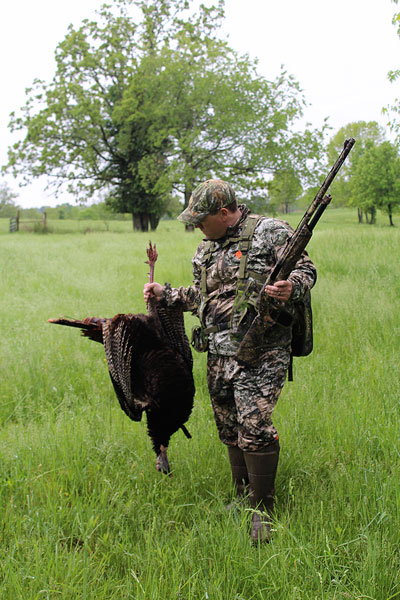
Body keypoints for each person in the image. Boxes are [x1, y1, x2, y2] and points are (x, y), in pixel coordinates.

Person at [144, 179, 317, 542]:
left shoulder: (269, 232)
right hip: (218, 351)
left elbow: (306, 270)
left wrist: (292, 287)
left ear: (224, 213)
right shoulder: (206, 248)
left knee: (255, 425)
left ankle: (262, 510)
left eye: (201, 219)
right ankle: (241, 496)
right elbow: (200, 295)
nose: (196, 226)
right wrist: (167, 294)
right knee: (228, 424)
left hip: (262, 348)